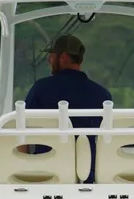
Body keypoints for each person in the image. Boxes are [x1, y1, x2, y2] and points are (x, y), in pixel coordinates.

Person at [22, 34, 111, 184]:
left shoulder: (40, 89)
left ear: (62, 57)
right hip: (89, 178)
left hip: (46, 176)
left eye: (51, 55)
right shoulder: (103, 95)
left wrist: (25, 173)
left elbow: (22, 136)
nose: (49, 60)